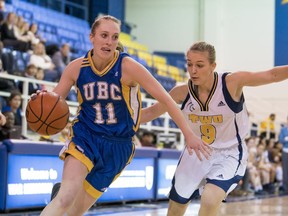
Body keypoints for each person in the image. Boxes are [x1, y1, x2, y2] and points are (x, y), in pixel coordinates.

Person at [38, 15, 210, 216]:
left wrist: (188, 134)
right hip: (85, 136)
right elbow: (54, 101)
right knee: (65, 199)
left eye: (114, 37)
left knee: (74, 212)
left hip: (118, 146)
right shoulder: (76, 68)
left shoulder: (128, 67)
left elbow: (165, 100)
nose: (109, 42)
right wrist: (42, 99)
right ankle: (61, 194)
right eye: (104, 35)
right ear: (92, 37)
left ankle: (61, 196)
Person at [140, 41, 288, 216]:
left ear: (213, 66)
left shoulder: (231, 83)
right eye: (189, 64)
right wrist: (110, 121)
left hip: (229, 153)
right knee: (175, 209)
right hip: (195, 152)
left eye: (199, 65)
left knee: (210, 200)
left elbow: (271, 75)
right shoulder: (181, 92)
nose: (193, 70)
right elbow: (151, 112)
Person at [278, 116, 288, 194]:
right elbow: (280, 140)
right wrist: (285, 139)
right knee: (285, 170)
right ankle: (285, 188)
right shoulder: (283, 130)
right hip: (285, 151)